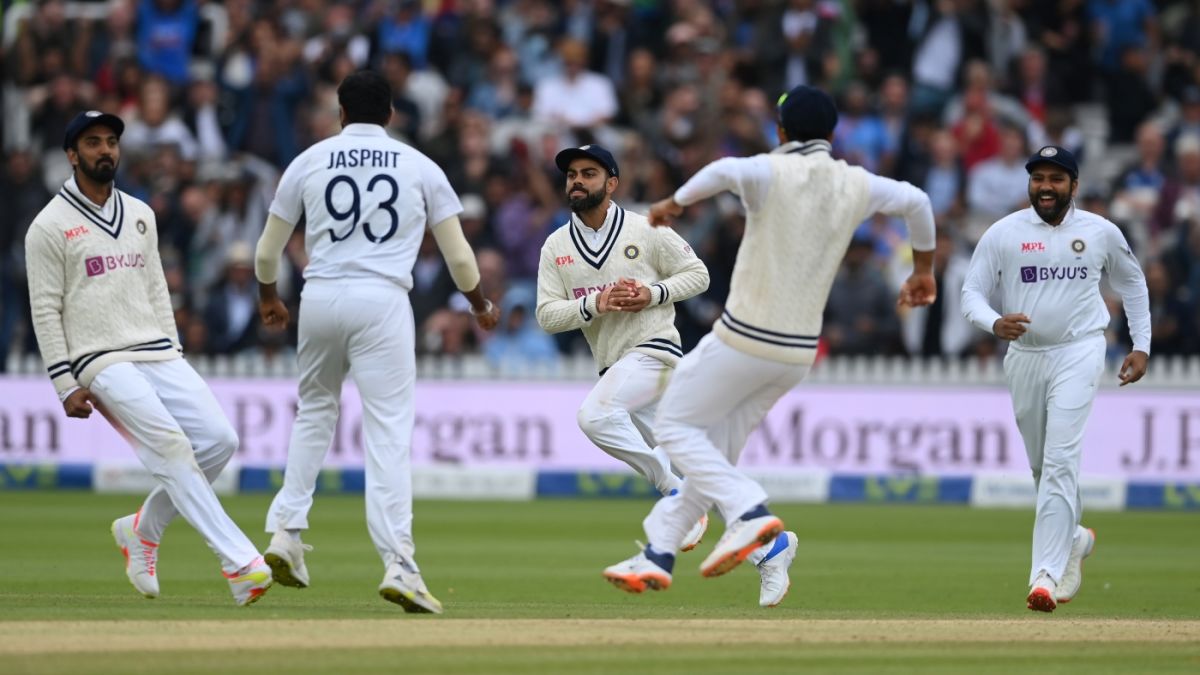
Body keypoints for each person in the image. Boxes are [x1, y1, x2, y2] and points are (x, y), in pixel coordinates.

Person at [601, 85, 937, 605]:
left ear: (780, 132)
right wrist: (923, 271)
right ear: (831, 135)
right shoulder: (857, 183)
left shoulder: (768, 169)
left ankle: (750, 511)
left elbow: (724, 171)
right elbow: (918, 202)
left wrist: (673, 201)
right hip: (798, 352)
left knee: (671, 427)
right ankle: (660, 553)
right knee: (717, 450)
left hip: (744, 338)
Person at [254, 70, 500, 614]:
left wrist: (270, 296)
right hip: (382, 300)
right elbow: (460, 257)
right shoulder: (418, 164)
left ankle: (285, 534)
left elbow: (268, 251)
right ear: (390, 114)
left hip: (319, 297)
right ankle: (399, 563)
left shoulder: (310, 160)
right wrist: (480, 303)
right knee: (387, 431)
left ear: (340, 112)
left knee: (314, 412)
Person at [25, 110, 272, 606]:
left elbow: (156, 288)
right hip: (99, 358)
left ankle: (142, 530)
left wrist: (173, 349)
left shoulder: (141, 213)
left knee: (219, 440)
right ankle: (242, 564)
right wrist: (65, 383)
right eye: (93, 143)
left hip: (157, 350)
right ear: (72, 155)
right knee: (172, 447)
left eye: (112, 141)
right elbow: (45, 310)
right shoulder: (48, 227)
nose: (105, 151)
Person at [961, 145, 1150, 612]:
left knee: (1061, 462)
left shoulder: (1100, 231)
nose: (1046, 186)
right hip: (1025, 356)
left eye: (1056, 179)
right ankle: (1075, 539)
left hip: (1080, 350)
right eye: (1039, 178)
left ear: (1074, 186)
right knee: (1043, 468)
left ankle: (1043, 576)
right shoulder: (1004, 232)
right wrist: (993, 323)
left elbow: (1133, 284)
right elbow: (971, 293)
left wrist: (1141, 344)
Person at [535, 144, 713, 571]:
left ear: (611, 184)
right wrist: (596, 304)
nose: (577, 181)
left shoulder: (645, 228)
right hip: (617, 365)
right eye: (572, 174)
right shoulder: (556, 246)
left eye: (589, 173)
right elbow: (546, 315)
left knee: (594, 416)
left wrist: (653, 293)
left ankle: (673, 494)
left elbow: (699, 275)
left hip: (655, 352)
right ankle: (772, 547)